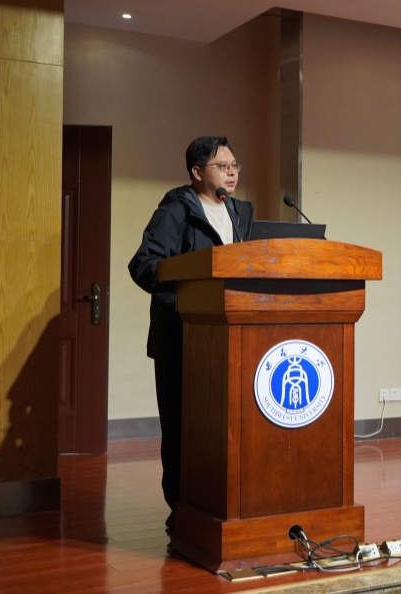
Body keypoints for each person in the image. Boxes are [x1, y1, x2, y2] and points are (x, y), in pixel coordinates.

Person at [128, 136, 254, 532]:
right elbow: (143, 265)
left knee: (224, 429)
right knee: (183, 430)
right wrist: (190, 284)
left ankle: (224, 505)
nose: (231, 173)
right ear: (197, 172)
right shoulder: (175, 210)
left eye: (234, 166)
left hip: (230, 341)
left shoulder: (241, 213)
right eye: (222, 166)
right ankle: (181, 510)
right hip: (181, 339)